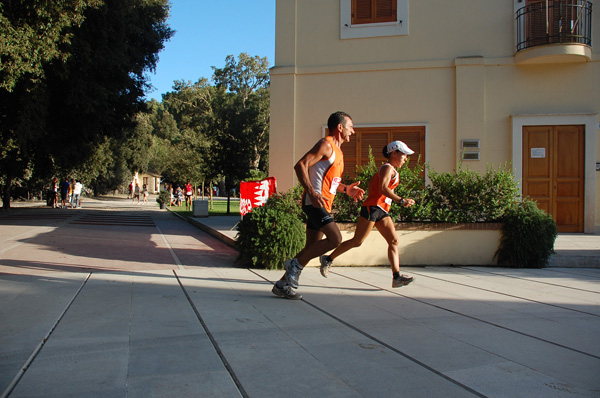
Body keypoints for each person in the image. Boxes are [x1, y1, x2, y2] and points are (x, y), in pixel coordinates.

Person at [272, 111, 365, 300]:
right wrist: (312, 193)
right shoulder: (326, 145)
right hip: (314, 202)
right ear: (340, 127)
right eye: (351, 127)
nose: (353, 132)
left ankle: (283, 284)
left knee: (311, 247)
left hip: (324, 204)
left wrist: (347, 189)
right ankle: (294, 266)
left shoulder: (338, 152)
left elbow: (330, 182)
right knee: (335, 239)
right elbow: (301, 165)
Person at [320, 141, 416, 288]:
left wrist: (397, 199)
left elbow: (380, 188)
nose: (406, 158)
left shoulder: (393, 171)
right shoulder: (387, 168)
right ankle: (328, 259)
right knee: (357, 241)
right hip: (373, 208)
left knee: (394, 241)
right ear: (394, 153)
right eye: (404, 155)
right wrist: (401, 200)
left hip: (382, 210)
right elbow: (382, 188)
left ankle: (396, 277)